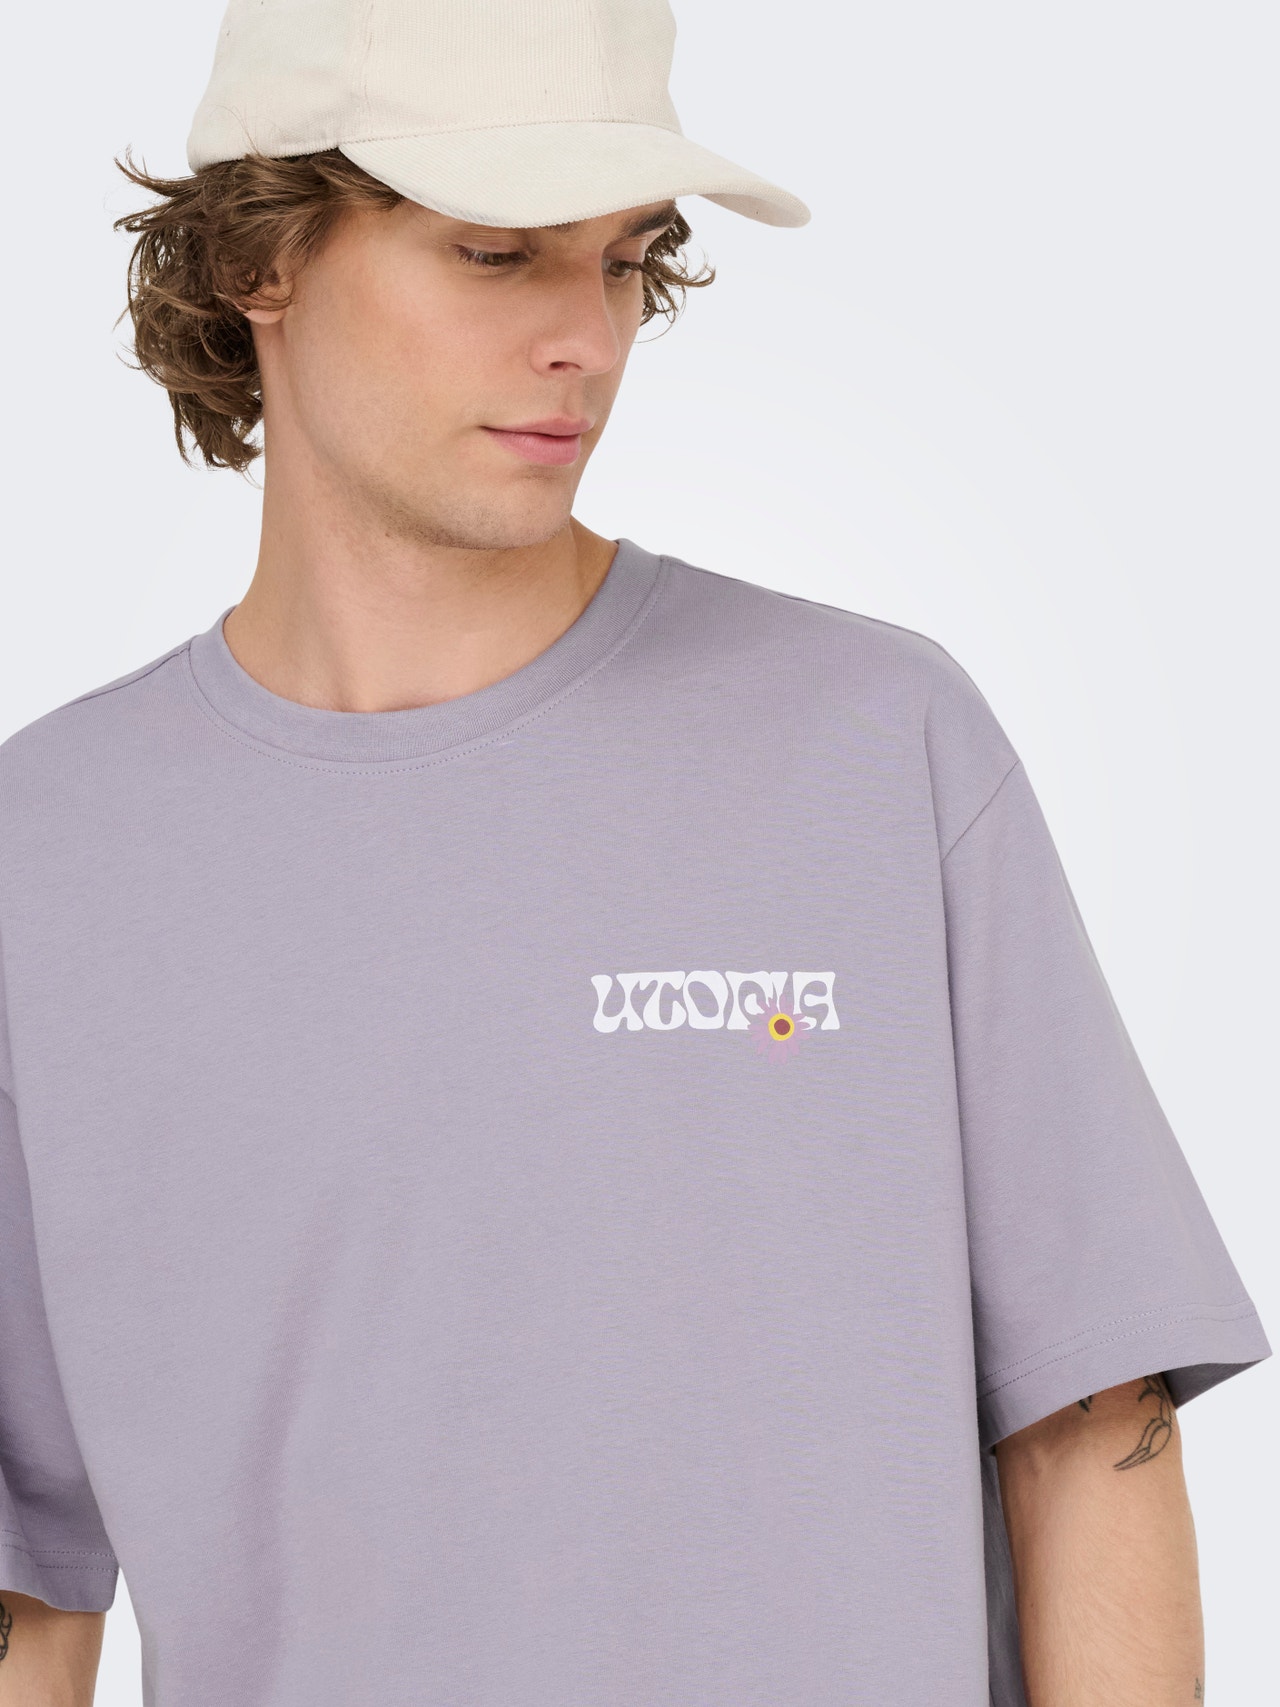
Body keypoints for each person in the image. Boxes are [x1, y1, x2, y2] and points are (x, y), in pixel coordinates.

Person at [0, 0, 1268, 1702]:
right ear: (257, 260)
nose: (585, 339)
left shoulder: (871, 745)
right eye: (498, 253)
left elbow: (1090, 1428)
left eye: (622, 259)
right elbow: (30, 1587)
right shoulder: (49, 856)